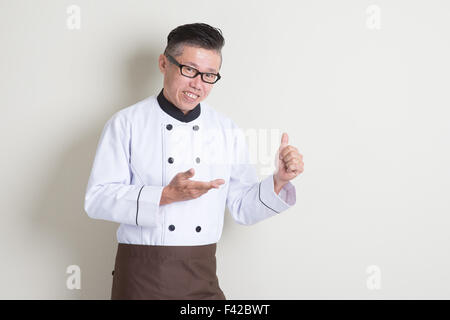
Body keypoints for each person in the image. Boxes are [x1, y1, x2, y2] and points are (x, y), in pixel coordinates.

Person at [84, 22, 304, 300]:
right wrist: (164, 195)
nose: (197, 84)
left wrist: (279, 180)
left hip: (202, 273)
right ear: (164, 63)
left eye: (209, 75)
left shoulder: (226, 129)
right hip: (141, 274)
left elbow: (242, 208)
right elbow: (96, 199)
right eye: (189, 70)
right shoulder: (126, 123)